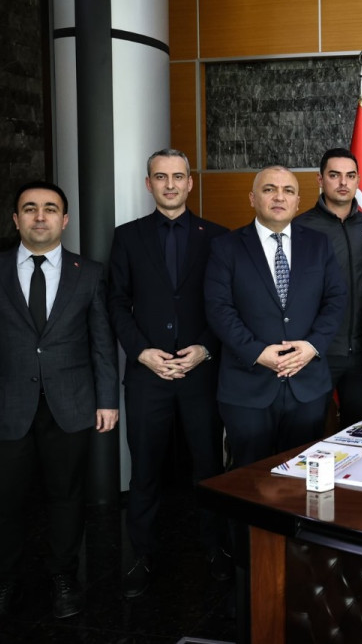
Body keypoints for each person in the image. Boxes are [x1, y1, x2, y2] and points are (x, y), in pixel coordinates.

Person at [0, 180, 118, 631]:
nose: (39, 216)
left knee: (66, 497)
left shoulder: (89, 272)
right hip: (4, 408)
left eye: (49, 209)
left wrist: (108, 400)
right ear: (16, 219)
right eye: (29, 209)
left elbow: (102, 342)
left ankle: (63, 577)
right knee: (3, 501)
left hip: (72, 405)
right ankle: (4, 584)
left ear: (64, 220)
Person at [108, 149, 230, 598]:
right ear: (149, 184)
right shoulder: (128, 237)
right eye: (161, 177)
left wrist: (204, 348)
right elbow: (116, 303)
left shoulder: (217, 238)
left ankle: (215, 550)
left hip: (202, 372)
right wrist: (141, 353)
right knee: (145, 470)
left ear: (190, 182)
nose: (171, 184)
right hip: (147, 374)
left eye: (178, 177)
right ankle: (142, 554)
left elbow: (225, 305)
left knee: (208, 467)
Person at [203, 166, 346, 467]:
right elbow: (219, 308)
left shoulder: (318, 245)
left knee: (301, 479)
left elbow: (335, 300)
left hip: (306, 386)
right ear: (253, 198)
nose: (279, 197)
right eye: (269, 189)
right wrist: (256, 351)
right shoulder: (226, 247)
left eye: (288, 191)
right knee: (248, 481)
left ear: (298, 201)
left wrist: (312, 346)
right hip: (247, 387)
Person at [295, 147, 362, 427]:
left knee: (359, 432)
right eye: (334, 175)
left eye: (350, 176)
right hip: (316, 351)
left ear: (359, 180)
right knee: (306, 430)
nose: (343, 183)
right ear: (320, 180)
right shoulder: (300, 228)